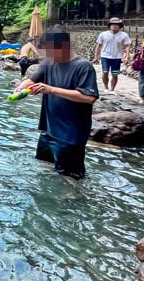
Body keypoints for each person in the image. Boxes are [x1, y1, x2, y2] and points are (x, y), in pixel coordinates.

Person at [18, 27, 99, 179]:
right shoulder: (49, 62)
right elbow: (31, 80)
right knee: (45, 170)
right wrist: (21, 88)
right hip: (48, 130)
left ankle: (74, 200)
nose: (47, 55)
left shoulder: (83, 67)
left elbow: (89, 97)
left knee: (70, 178)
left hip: (70, 135)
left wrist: (51, 89)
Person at [92, 17, 132, 93]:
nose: (114, 26)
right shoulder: (103, 34)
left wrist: (127, 56)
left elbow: (127, 45)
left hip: (117, 57)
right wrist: (96, 56)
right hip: (105, 56)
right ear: (109, 25)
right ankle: (106, 87)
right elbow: (99, 45)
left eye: (116, 24)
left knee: (115, 74)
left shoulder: (124, 35)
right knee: (105, 72)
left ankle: (112, 89)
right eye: (112, 24)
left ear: (119, 26)